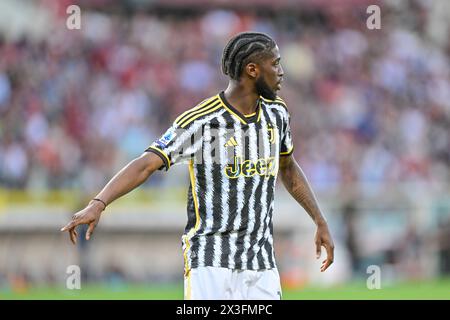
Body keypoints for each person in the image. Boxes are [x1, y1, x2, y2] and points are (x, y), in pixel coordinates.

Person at [61, 32, 334, 300]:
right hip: (210, 260)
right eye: (275, 64)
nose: (281, 71)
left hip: (261, 262)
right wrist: (99, 203)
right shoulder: (201, 122)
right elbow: (146, 163)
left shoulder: (277, 113)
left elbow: (287, 167)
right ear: (252, 70)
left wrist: (319, 220)